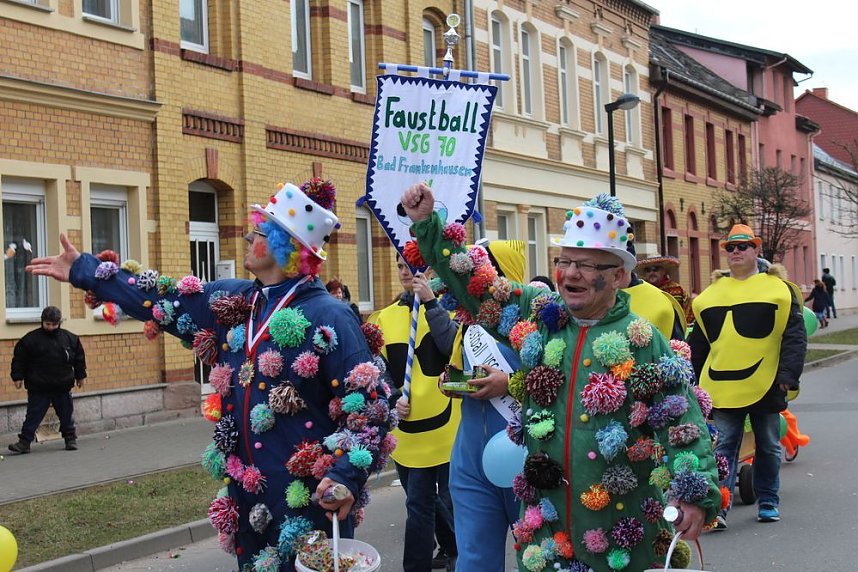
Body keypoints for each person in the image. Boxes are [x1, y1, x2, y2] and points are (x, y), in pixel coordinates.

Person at [26, 179, 396, 571]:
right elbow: (162, 297)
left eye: (257, 233)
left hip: (309, 502)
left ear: (280, 246)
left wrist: (344, 476)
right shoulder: (235, 302)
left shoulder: (331, 316)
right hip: (248, 498)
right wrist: (84, 270)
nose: (248, 239)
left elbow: (371, 411)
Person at [402, 182, 721, 571]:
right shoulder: (539, 315)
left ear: (619, 276)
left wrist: (694, 494)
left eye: (587, 265)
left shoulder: (642, 340)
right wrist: (428, 224)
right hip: (548, 529)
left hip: (620, 529)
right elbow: (474, 286)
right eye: (565, 261)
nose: (570, 273)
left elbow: (681, 421)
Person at [689, 224, 806, 528]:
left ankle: (768, 501)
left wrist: (788, 374)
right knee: (725, 447)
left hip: (766, 382)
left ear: (756, 249)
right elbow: (699, 343)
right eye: (730, 247)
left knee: (768, 444)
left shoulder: (778, 290)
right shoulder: (711, 296)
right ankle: (720, 508)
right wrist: (691, 381)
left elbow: (794, 335)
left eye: (743, 246)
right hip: (722, 385)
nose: (736, 252)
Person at [437, 239, 528, 572]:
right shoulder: (469, 325)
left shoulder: (532, 324)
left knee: (536, 556)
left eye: (483, 272)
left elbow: (556, 383)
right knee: (474, 559)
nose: (474, 282)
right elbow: (457, 370)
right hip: (471, 459)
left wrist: (509, 383)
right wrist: (450, 382)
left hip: (525, 457)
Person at [367, 259, 459, 572]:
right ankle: (429, 560)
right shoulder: (385, 317)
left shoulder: (451, 310)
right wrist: (394, 398)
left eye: (412, 265)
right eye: (399, 265)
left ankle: (452, 556)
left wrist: (432, 303)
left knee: (447, 502)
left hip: (448, 431)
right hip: (407, 434)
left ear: (430, 270)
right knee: (420, 503)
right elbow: (378, 370)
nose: (405, 271)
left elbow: (455, 350)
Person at [7, 306, 86, 454]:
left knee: (66, 415)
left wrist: (80, 376)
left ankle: (70, 439)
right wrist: (17, 377)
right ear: (42, 321)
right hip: (39, 386)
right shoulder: (30, 340)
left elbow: (79, 359)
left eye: (54, 324)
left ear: (59, 323)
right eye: (47, 324)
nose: (50, 327)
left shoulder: (70, 339)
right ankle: (24, 442)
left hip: (62, 385)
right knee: (33, 416)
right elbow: (19, 359)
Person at [637, 255, 692, 324]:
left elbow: (677, 315)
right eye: (648, 270)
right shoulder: (641, 290)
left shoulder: (675, 289)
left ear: (664, 271)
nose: (651, 273)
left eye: (655, 269)